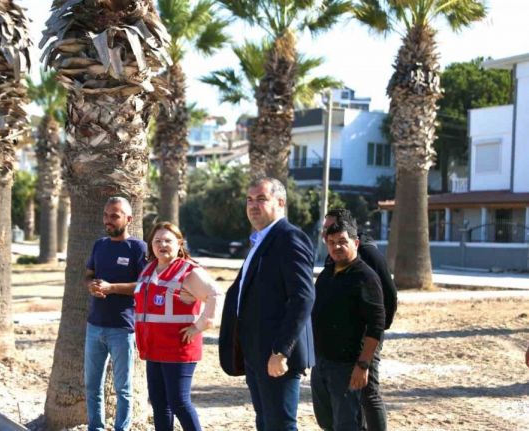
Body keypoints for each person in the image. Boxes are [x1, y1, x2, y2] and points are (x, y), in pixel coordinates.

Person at [219, 177, 315, 431]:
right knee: (264, 422)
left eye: (261, 199)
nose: (253, 205)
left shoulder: (289, 238)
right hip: (255, 351)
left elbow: (303, 297)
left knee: (280, 425)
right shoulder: (260, 240)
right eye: (249, 200)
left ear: (280, 202)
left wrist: (281, 351)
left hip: (276, 354)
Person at [134, 222, 222, 431]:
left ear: (179, 244)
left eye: (168, 240)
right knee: (159, 404)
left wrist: (199, 326)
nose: (162, 245)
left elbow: (215, 294)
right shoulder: (149, 269)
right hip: (154, 348)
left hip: (178, 348)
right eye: (157, 241)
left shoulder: (188, 271)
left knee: (179, 403)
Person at [323, 208, 397, 431]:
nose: (326, 233)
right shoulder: (333, 254)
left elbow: (389, 296)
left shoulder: (367, 253)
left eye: (329, 227)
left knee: (368, 392)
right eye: (326, 230)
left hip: (366, 338)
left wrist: (375, 331)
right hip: (341, 343)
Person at [311, 218, 385, 431]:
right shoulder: (327, 274)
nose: (337, 247)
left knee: (347, 424)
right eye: (332, 242)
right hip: (321, 363)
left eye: (342, 241)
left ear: (356, 243)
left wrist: (363, 365)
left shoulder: (365, 277)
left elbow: (376, 325)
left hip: (347, 366)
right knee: (326, 422)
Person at [84, 197, 147, 431]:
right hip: (94, 326)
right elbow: (89, 274)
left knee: (123, 389)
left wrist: (112, 288)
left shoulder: (138, 248)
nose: (107, 220)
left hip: (122, 328)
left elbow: (144, 286)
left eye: (114, 216)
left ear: (128, 219)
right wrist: (91, 286)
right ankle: (96, 428)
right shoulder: (99, 245)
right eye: (105, 215)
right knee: (92, 386)